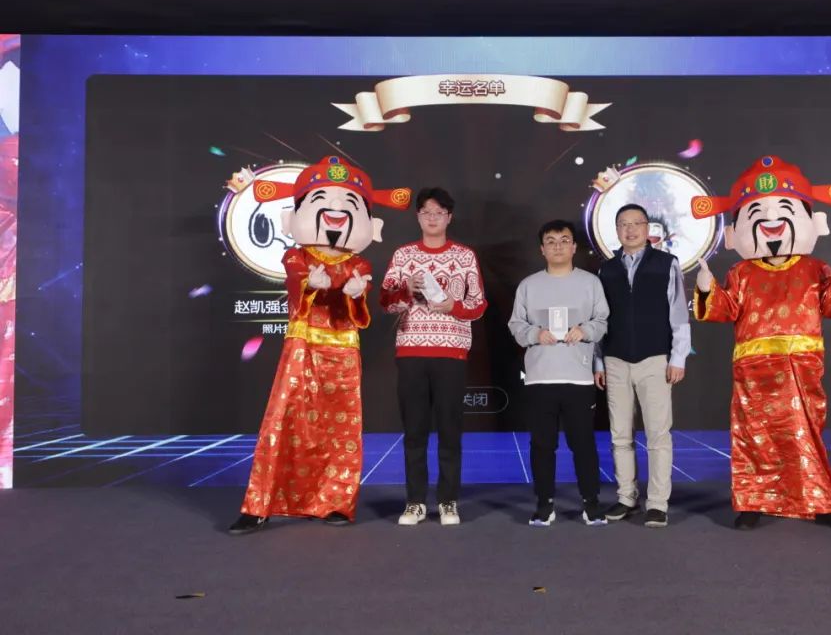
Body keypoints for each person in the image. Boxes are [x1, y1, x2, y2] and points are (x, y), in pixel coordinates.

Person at [229, 155, 411, 534]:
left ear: (371, 226)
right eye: (322, 202)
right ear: (292, 219)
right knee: (283, 421)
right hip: (302, 347)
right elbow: (296, 278)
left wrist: (356, 292)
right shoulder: (296, 255)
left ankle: (335, 502)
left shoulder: (358, 264)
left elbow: (359, 301)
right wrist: (310, 283)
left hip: (343, 351)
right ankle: (259, 504)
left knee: (341, 429)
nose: (336, 213)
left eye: (349, 205)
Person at [691, 155, 831, 530]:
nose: (770, 221)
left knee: (805, 435)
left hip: (801, 368)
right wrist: (707, 289)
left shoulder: (814, 268)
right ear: (735, 233)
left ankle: (821, 504)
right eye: (757, 214)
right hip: (754, 371)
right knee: (755, 437)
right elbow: (726, 308)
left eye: (783, 210)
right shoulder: (741, 271)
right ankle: (752, 502)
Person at [380, 187, 487, 525]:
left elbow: (479, 305)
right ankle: (414, 502)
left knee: (450, 430)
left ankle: (448, 501)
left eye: (439, 212)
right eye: (426, 212)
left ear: (449, 217)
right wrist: (405, 289)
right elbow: (386, 303)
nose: (432, 218)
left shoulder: (465, 256)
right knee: (415, 431)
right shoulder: (403, 255)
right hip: (411, 351)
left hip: (451, 352)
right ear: (418, 217)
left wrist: (453, 306)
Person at [594, 203, 690, 528]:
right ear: (617, 230)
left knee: (658, 435)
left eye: (637, 223)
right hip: (615, 360)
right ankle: (626, 497)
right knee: (620, 435)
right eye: (624, 224)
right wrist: (598, 361)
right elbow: (600, 320)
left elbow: (679, 314)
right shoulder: (606, 270)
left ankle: (658, 503)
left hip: (655, 359)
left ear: (647, 228)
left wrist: (678, 357)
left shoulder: (666, 264)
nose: (630, 229)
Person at [508, 219, 609, 527]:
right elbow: (516, 325)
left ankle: (591, 503)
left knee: (583, 444)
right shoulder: (528, 285)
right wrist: (535, 334)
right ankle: (544, 504)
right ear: (542, 249)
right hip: (540, 378)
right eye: (550, 242)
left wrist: (585, 330)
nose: (558, 246)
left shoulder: (590, 283)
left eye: (564, 240)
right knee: (542, 445)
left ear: (574, 246)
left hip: (579, 377)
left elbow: (602, 321)